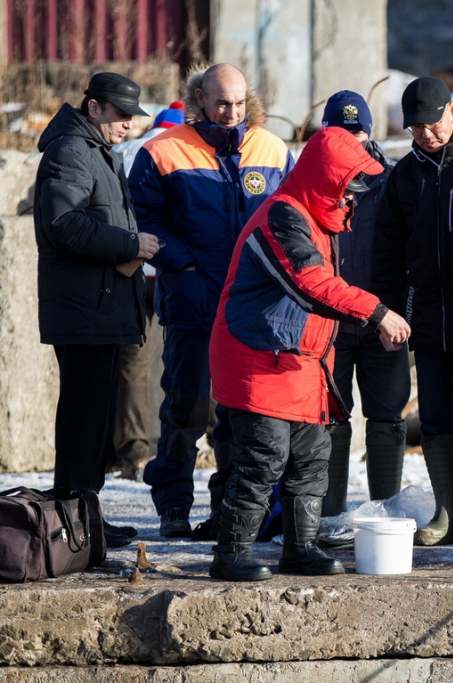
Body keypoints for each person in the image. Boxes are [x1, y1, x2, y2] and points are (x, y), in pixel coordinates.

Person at [207, 126, 410, 581]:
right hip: (257, 356)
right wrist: (377, 314)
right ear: (325, 180)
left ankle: (300, 549)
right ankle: (231, 553)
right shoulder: (281, 216)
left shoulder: (318, 218)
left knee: (312, 458)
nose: (352, 198)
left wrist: (365, 321)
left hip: (301, 361)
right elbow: (310, 286)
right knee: (263, 457)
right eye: (347, 187)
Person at [129, 64, 295, 539]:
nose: (232, 112)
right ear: (199, 97)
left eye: (240, 103)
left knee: (239, 412)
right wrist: (184, 264)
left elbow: (288, 216)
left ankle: (231, 509)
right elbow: (144, 217)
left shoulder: (270, 147)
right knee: (187, 408)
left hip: (249, 307)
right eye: (223, 103)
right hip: (192, 299)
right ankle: (174, 506)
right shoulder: (162, 150)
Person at [374, 76, 453, 549]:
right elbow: (387, 251)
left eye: (432, 123)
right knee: (436, 420)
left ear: (452, 112)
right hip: (427, 316)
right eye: (415, 128)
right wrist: (385, 312)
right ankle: (451, 513)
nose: (425, 134)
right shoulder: (404, 177)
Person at [33, 72, 161, 547]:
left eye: (132, 117)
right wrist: (130, 242)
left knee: (93, 421)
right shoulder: (70, 150)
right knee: (83, 421)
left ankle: (86, 518)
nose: (129, 124)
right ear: (94, 109)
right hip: (84, 311)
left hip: (99, 308)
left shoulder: (94, 151)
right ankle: (76, 527)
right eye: (122, 115)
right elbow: (65, 224)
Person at [318, 90, 409, 519]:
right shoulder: (311, 183)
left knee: (388, 417)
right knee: (330, 417)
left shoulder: (391, 182)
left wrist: (400, 312)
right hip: (330, 325)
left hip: (383, 321)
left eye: (356, 133)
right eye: (339, 132)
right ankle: (331, 513)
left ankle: (385, 512)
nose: (349, 141)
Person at [110, 101, 186, 482]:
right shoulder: (185, 150)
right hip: (175, 268)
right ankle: (180, 441)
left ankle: (133, 451)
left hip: (132, 268)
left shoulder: (124, 151)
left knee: (132, 362)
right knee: (180, 357)